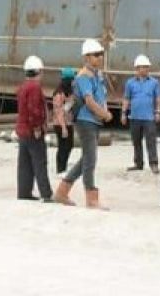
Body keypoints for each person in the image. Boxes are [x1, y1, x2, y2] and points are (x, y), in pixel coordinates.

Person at [54, 39, 112, 209]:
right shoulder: (83, 77)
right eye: (96, 55)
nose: (100, 58)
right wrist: (105, 114)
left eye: (101, 54)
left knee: (86, 159)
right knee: (90, 159)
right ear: (87, 57)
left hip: (94, 121)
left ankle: (62, 192)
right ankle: (91, 198)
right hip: (86, 121)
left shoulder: (97, 75)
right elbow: (89, 101)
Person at [15, 55, 53, 202]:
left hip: (22, 130)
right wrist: (37, 127)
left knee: (24, 163)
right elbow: (34, 110)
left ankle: (24, 192)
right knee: (39, 162)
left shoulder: (23, 87)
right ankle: (46, 193)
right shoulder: (35, 87)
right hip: (32, 131)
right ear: (39, 71)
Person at [122, 54, 160, 173]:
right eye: (142, 67)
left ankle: (153, 163)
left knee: (151, 141)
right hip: (135, 117)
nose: (145, 69)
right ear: (137, 69)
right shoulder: (130, 83)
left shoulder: (154, 82)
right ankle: (138, 163)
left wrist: (158, 112)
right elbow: (126, 99)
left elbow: (158, 98)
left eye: (146, 67)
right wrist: (124, 113)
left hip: (148, 117)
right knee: (136, 141)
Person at [51, 67, 77, 174]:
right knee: (62, 146)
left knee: (69, 145)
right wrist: (63, 127)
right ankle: (60, 169)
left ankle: (63, 167)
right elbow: (58, 111)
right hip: (60, 124)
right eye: (72, 79)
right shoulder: (59, 94)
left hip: (69, 123)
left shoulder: (70, 93)